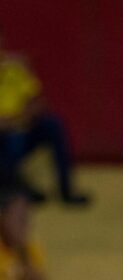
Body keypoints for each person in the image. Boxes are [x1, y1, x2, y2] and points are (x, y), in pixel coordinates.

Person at [0, 31, 89, 205]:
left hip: (21, 126)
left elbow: (38, 101)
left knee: (53, 124)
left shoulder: (14, 68)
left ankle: (66, 190)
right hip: (5, 134)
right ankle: (18, 188)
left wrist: (23, 117)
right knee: (8, 138)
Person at [0, 184, 46, 280]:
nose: (25, 227)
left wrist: (24, 256)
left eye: (26, 220)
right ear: (2, 218)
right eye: (20, 220)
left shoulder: (32, 250)